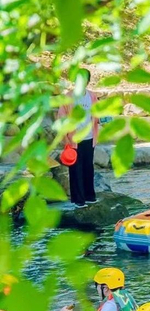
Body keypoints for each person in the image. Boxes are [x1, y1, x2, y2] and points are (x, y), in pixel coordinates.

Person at [57, 68, 99, 209]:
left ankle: (89, 196)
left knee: (88, 168)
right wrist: (66, 139)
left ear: (88, 81)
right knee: (75, 169)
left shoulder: (92, 96)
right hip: (74, 140)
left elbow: (96, 114)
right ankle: (78, 200)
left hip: (89, 137)